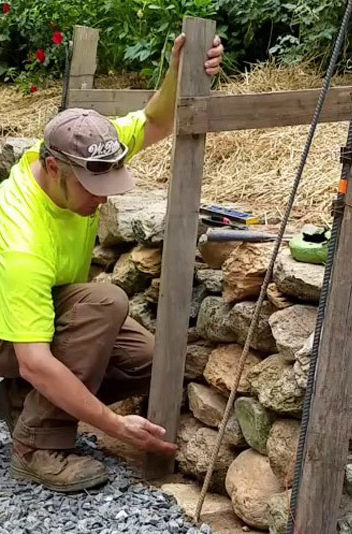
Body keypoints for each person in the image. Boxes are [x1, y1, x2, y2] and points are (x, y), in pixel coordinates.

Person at [0, 33, 224, 493]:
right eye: (91, 189)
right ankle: (36, 446)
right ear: (55, 169)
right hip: (10, 331)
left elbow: (156, 123)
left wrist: (179, 69)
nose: (102, 199)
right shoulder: (21, 239)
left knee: (149, 361)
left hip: (37, 311)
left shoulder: (86, 149)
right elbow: (36, 360)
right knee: (104, 300)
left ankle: (25, 403)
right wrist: (115, 426)